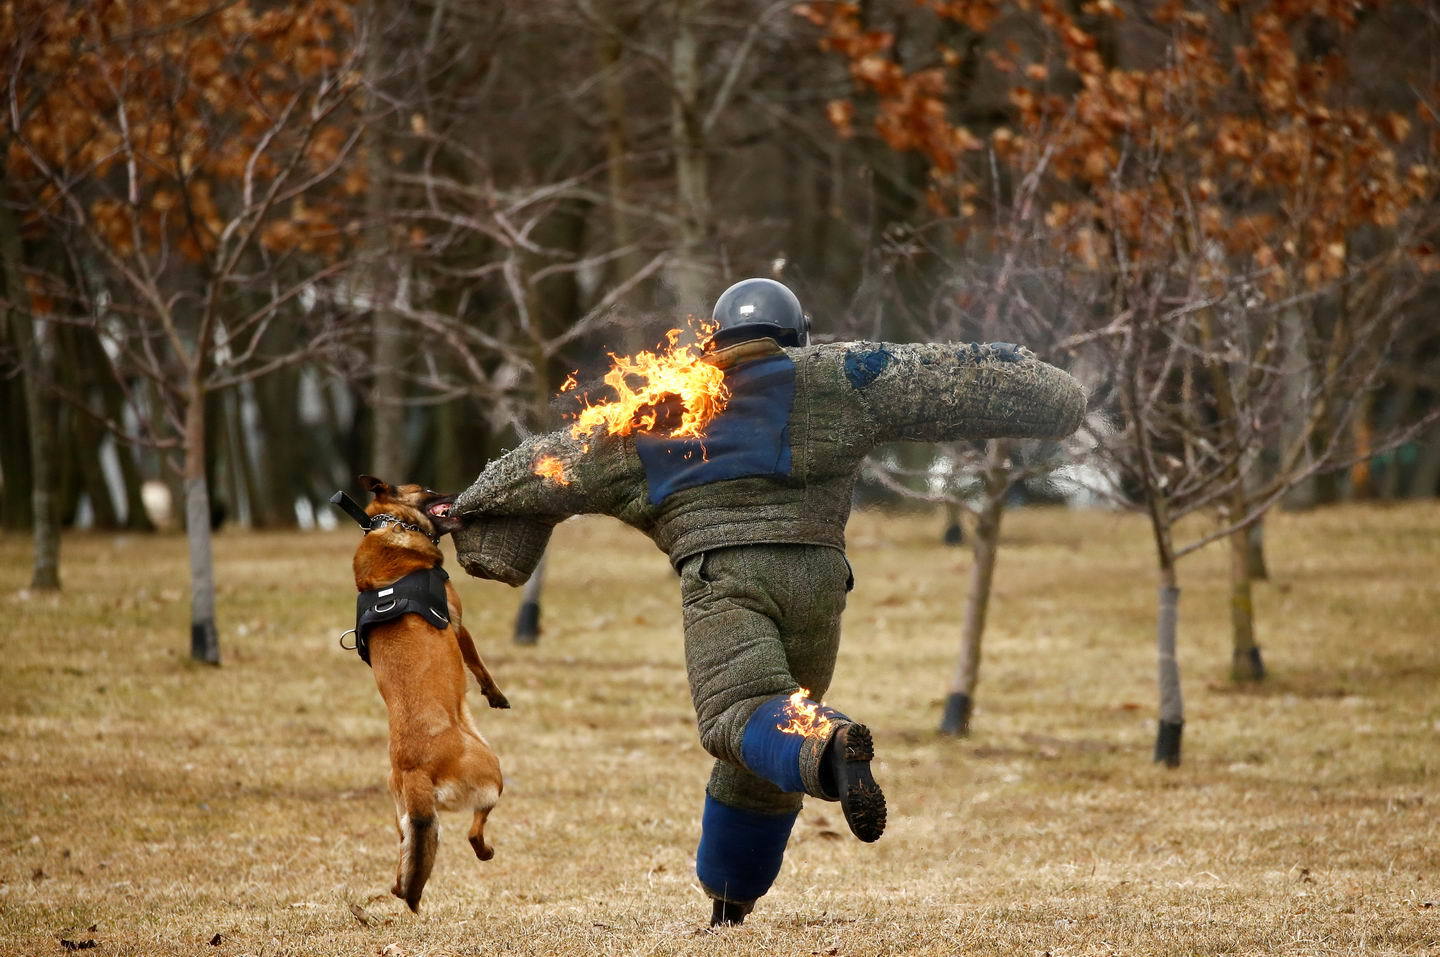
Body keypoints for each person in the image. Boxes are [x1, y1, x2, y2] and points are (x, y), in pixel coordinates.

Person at [452, 278, 1085, 925]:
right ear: (798, 336)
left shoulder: (657, 406)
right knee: (764, 736)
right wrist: (1056, 396)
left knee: (740, 712)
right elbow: (957, 379)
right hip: (818, 583)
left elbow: (546, 467)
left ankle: (831, 749)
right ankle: (730, 908)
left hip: (725, 578)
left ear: (713, 339)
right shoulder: (840, 377)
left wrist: (462, 512)